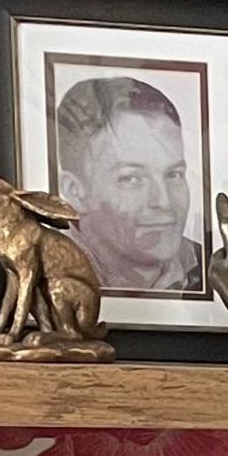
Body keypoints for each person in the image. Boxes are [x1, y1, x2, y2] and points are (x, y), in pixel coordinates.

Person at [49, 75, 195, 293]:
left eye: (173, 174)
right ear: (75, 192)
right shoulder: (47, 278)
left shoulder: (214, 270)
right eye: (131, 179)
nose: (163, 202)